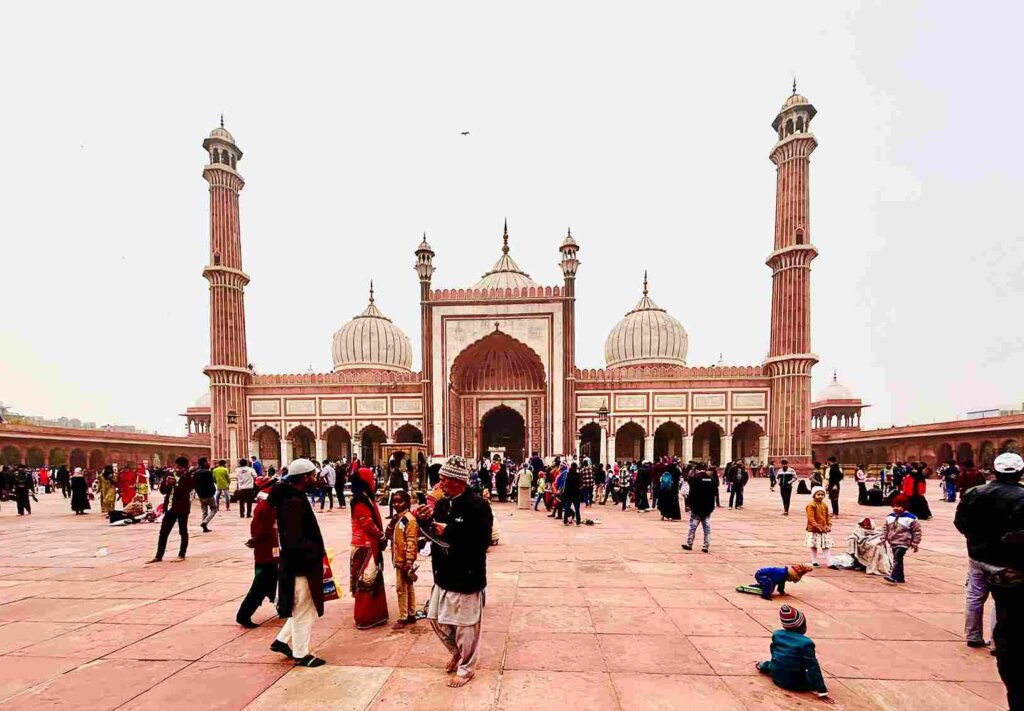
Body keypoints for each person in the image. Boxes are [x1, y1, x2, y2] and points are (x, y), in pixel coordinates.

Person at [414, 456, 493, 688]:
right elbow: (434, 534)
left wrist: (451, 529)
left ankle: (467, 667)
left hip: (467, 575)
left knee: (466, 626)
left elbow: (482, 540)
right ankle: (457, 653)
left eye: (444, 480)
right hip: (444, 574)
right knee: (437, 619)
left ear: (458, 481)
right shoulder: (442, 504)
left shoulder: (477, 506)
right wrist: (424, 520)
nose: (440, 485)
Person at [954, 452, 1024, 708]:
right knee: (1001, 602)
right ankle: (996, 643)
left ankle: (972, 635)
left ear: (994, 471)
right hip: (1007, 562)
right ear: (1019, 473)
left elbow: (959, 522)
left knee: (974, 596)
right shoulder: (1022, 497)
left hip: (978, 555)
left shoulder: (974, 493)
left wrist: (975, 539)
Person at [268, 459, 327, 667]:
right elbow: (294, 538)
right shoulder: (293, 502)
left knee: (301, 606)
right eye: (312, 475)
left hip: (298, 563)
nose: (315, 478)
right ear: (304, 477)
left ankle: (281, 641)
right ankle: (301, 654)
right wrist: (312, 557)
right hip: (301, 565)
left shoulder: (292, 497)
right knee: (303, 608)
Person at [756, 605, 832, 703]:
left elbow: (773, 652)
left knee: (776, 662)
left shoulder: (777, 634)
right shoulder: (806, 643)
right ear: (802, 626)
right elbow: (813, 668)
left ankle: (763, 666)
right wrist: (822, 691)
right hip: (795, 683)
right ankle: (770, 666)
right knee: (809, 677)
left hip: (776, 676)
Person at [236, 475, 278, 628]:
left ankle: (282, 606)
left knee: (272, 579)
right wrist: (256, 540)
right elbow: (262, 530)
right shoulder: (267, 506)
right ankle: (244, 614)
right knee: (262, 582)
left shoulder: (265, 504)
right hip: (268, 550)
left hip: (269, 549)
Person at [350, 466, 389, 629]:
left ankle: (375, 614)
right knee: (367, 581)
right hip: (365, 546)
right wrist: (381, 535)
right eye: (371, 479)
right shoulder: (360, 500)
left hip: (367, 545)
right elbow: (367, 524)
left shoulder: (364, 497)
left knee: (372, 581)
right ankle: (365, 617)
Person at [147, 457, 195, 563]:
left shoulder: (189, 477)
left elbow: (188, 489)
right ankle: (159, 556)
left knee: (183, 532)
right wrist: (168, 484)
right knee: (163, 532)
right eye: (176, 467)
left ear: (185, 468)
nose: (177, 469)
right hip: (169, 508)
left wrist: (177, 484)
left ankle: (181, 554)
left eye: (180, 468)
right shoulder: (168, 475)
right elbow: (163, 491)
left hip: (182, 508)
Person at [386, 490, 419, 629]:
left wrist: (409, 561)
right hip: (400, 558)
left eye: (400, 501)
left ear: (407, 502)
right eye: (394, 501)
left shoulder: (408, 520)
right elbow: (389, 535)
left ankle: (403, 616)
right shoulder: (398, 519)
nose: (396, 504)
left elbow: (411, 541)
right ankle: (411, 613)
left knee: (402, 589)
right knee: (408, 586)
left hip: (404, 560)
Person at [882, 494, 922, 584]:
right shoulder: (890, 517)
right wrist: (883, 538)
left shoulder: (910, 518)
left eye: (899, 506)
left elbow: (917, 531)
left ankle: (894, 576)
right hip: (893, 541)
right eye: (894, 506)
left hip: (904, 542)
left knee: (897, 558)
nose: (896, 508)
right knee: (898, 559)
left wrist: (915, 542)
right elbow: (885, 528)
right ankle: (900, 577)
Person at [682, 466, 716, 552]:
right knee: (707, 527)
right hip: (707, 507)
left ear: (697, 470)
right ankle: (706, 546)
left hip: (697, 507)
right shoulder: (711, 479)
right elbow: (715, 493)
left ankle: (689, 544)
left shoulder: (695, 479)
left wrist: (689, 505)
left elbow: (692, 493)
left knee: (692, 526)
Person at [738, 564, 814, 599]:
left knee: (770, 585)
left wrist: (781, 592)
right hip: (760, 574)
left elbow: (781, 584)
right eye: (791, 580)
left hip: (766, 575)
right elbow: (777, 582)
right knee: (769, 584)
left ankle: (761, 586)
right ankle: (765, 596)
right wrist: (769, 591)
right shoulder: (781, 574)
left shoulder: (784, 575)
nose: (790, 581)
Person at [805, 487, 836, 568]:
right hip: (814, 529)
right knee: (813, 545)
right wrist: (817, 526)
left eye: (822, 494)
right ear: (814, 495)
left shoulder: (824, 505)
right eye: (818, 494)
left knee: (826, 545)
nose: (820, 496)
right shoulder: (811, 505)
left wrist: (829, 525)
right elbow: (811, 518)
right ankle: (814, 560)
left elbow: (827, 516)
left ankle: (830, 562)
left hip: (823, 529)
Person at [194, 457, 217, 533]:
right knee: (214, 509)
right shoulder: (208, 473)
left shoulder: (196, 473)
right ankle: (205, 522)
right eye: (208, 461)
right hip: (209, 494)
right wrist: (213, 491)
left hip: (201, 495)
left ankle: (205, 527)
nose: (209, 463)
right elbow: (211, 484)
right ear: (204, 463)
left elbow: (195, 484)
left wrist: (198, 492)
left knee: (204, 510)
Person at [561, 462, 582, 526]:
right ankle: (578, 522)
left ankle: (565, 521)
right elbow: (580, 484)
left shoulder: (568, 474)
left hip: (568, 494)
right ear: (576, 468)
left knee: (567, 508)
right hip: (576, 494)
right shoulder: (578, 475)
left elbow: (566, 485)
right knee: (577, 509)